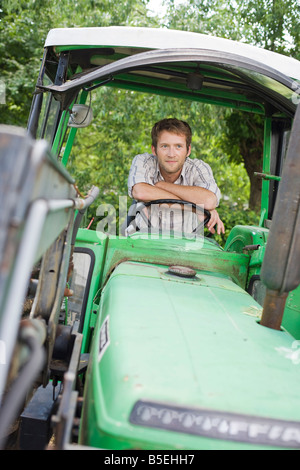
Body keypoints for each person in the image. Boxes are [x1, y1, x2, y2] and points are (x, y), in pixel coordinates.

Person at [127, 118, 225, 235]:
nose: (171, 154)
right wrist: (196, 207)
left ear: (188, 151)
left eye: (178, 146)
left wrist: (162, 185)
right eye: (164, 146)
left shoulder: (198, 168)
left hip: (184, 247)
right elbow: (140, 192)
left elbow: (209, 201)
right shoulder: (143, 161)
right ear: (154, 150)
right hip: (142, 243)